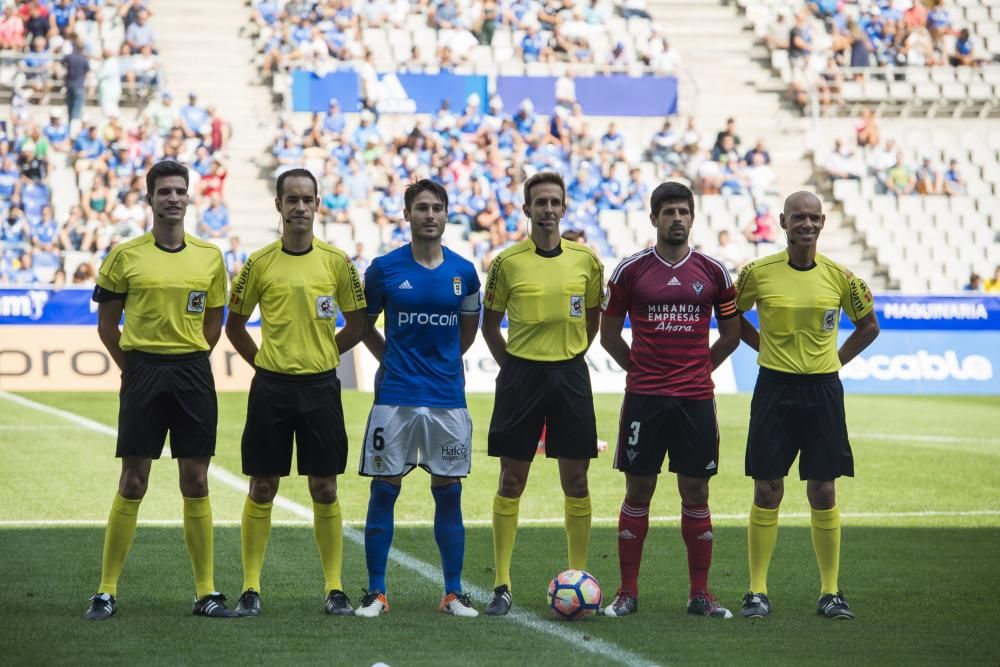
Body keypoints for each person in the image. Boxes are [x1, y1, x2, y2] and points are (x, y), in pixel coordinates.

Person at [84, 160, 236, 620]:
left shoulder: (210, 256)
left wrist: (191, 356)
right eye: (164, 191)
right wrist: (134, 369)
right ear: (149, 199)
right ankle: (106, 591)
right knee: (133, 480)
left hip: (192, 373)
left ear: (189, 198)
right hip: (143, 372)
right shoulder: (124, 256)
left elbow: (214, 321)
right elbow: (107, 327)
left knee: (196, 480)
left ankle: (206, 593)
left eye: (180, 191)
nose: (173, 198)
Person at [225, 168, 368, 617]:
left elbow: (360, 323)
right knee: (262, 486)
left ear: (318, 204)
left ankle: (334, 588)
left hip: (321, 387)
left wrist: (326, 353)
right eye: (292, 200)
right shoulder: (258, 263)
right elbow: (234, 325)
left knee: (324, 488)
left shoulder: (337, 262)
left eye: (308, 199)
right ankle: (250, 588)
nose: (300, 207)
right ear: (279, 206)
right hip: (271, 387)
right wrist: (264, 363)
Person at [735, 191, 880, 621]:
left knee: (823, 489)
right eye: (799, 217)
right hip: (774, 389)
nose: (807, 224)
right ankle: (757, 591)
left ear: (823, 222)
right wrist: (760, 345)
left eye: (814, 218)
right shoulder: (757, 273)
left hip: (822, 391)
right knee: (767, 488)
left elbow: (869, 326)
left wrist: (836, 360)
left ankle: (831, 592)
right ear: (782, 221)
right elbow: (728, 314)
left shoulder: (841, 277)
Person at [600, 182, 741, 619]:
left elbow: (732, 335)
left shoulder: (714, 272)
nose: (676, 218)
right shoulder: (630, 271)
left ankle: (700, 594)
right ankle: (627, 593)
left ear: (692, 218)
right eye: (668, 212)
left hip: (695, 400)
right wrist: (642, 371)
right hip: (644, 399)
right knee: (638, 487)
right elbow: (608, 337)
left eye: (683, 211)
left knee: (696, 491)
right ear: (654, 218)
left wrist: (699, 371)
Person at [354, 179, 482, 618]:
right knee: (384, 490)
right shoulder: (383, 269)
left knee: (449, 493)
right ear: (407, 214)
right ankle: (376, 593)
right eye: (422, 208)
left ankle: (452, 593)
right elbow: (363, 324)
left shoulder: (464, 272)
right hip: (396, 397)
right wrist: (390, 358)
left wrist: (444, 361)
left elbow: (468, 332)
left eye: (438, 208)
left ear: (447, 214)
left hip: (447, 398)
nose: (430, 215)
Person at [481, 172, 604, 616]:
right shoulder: (506, 262)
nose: (548, 209)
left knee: (576, 480)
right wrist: (512, 365)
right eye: (540, 202)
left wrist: (570, 355)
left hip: (570, 376)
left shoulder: (586, 261)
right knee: (512, 479)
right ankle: (501, 583)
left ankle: (579, 577)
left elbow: (592, 319)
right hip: (521, 378)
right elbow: (489, 322)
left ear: (564, 207)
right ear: (526, 209)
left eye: (555, 201)